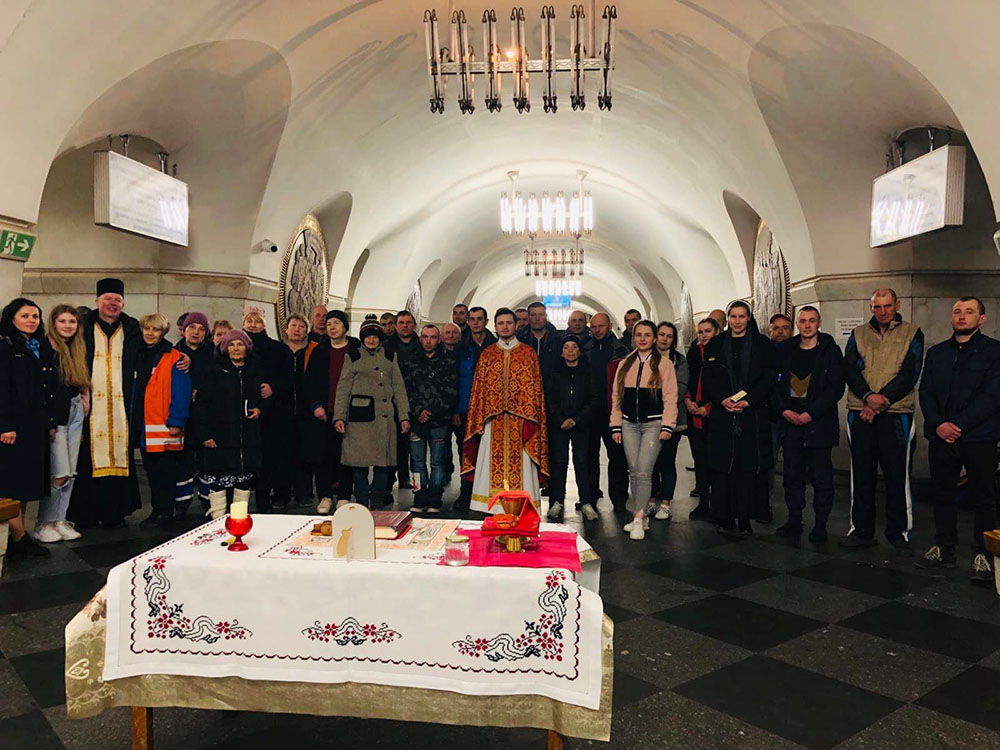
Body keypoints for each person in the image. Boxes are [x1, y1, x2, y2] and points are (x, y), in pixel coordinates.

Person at [916, 297, 1000, 581]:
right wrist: (939, 425)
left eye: (969, 312)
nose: (962, 317)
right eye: (957, 312)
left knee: (984, 497)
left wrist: (958, 425)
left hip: (980, 437)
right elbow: (925, 391)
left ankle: (983, 554)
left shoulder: (994, 352)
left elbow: (992, 396)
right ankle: (944, 547)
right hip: (942, 437)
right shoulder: (938, 353)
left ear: (982, 318)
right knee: (943, 493)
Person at [842, 288, 924, 555]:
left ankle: (898, 532)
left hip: (896, 413)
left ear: (897, 304)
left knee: (897, 475)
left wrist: (880, 401)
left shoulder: (912, 333)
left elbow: (909, 373)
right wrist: (867, 397)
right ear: (871, 308)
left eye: (887, 306)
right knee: (861, 474)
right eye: (877, 307)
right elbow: (850, 369)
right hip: (860, 411)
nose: (883, 311)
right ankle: (861, 530)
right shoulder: (858, 334)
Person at [70, 279, 144, 528]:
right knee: (87, 458)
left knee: (120, 455)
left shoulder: (132, 327)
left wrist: (183, 357)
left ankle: (116, 512)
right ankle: (86, 513)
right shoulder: (83, 325)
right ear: (97, 302)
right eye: (108, 299)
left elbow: (152, 351)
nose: (113, 304)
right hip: (90, 404)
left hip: (122, 405)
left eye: (117, 300)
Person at [701, 301, 777, 537]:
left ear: (748, 318)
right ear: (728, 319)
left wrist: (749, 400)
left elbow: (768, 377)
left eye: (742, 316)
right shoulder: (715, 344)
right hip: (723, 415)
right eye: (733, 316)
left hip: (751, 415)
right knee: (723, 468)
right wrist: (721, 399)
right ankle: (724, 516)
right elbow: (708, 376)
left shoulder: (762, 344)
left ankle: (745, 518)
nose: (737, 321)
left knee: (747, 469)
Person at [463, 307, 548, 512]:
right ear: (495, 326)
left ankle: (522, 504)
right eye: (501, 323)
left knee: (523, 464)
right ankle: (493, 507)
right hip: (493, 422)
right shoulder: (488, 354)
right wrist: (478, 420)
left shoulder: (528, 354)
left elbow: (535, 391)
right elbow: (479, 391)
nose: (505, 327)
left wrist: (529, 414)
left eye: (509, 323)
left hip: (522, 422)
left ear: (516, 325)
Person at [773, 306, 845, 542]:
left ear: (819, 322)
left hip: (819, 423)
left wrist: (811, 413)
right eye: (802, 321)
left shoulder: (830, 352)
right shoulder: (785, 350)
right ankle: (794, 519)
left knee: (821, 477)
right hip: (790, 421)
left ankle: (821, 523)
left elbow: (836, 388)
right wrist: (784, 409)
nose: (807, 325)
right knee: (792, 475)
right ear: (797, 323)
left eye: (811, 321)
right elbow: (774, 384)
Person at [610, 320, 678, 540]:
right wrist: (615, 425)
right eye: (638, 334)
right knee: (633, 470)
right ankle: (640, 516)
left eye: (647, 335)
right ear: (633, 337)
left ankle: (639, 517)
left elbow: (670, 397)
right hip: (629, 423)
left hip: (654, 424)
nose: (642, 339)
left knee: (644, 470)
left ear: (654, 338)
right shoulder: (625, 363)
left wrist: (668, 425)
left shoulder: (664, 364)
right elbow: (616, 397)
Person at [334, 315, 410, 508]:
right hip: (360, 420)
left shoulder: (389, 356)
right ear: (362, 337)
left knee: (382, 463)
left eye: (375, 336)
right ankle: (361, 500)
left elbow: (398, 387)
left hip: (384, 420)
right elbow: (343, 388)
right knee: (358, 463)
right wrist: (339, 416)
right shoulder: (353, 357)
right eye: (367, 336)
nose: (371, 339)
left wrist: (403, 416)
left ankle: (376, 501)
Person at [0, 298, 55, 558]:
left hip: (34, 424)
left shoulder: (38, 346)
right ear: (12, 318)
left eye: (35, 316)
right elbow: (2, 388)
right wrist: (6, 425)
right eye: (25, 316)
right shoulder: (5, 346)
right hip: (14, 427)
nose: (31, 320)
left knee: (24, 483)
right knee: (11, 483)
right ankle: (19, 539)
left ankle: (17, 535)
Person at [34, 305, 89, 543]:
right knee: (59, 472)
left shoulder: (75, 348)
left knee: (70, 473)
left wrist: (85, 396)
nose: (68, 326)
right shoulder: (46, 348)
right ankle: (44, 522)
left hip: (75, 409)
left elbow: (78, 380)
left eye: (72, 322)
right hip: (57, 414)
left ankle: (60, 519)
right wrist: (49, 422)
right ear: (53, 323)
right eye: (63, 321)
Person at [133, 314, 193, 529]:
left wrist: (177, 420)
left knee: (165, 473)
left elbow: (182, 392)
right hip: (144, 425)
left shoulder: (174, 357)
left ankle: (164, 512)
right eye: (147, 329)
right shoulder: (137, 353)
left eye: (156, 330)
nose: (150, 333)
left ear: (163, 332)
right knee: (151, 472)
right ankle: (158, 510)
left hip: (165, 425)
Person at [194, 330, 262, 519]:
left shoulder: (254, 370)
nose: (236, 348)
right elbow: (201, 404)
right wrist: (205, 434)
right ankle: (217, 520)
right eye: (231, 345)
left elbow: (264, 397)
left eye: (240, 344)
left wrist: (260, 409)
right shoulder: (214, 370)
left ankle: (239, 522)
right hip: (220, 436)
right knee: (219, 481)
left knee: (243, 481)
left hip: (246, 438)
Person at [304, 310, 357, 512]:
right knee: (324, 455)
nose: (332, 327)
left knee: (346, 455)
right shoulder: (320, 350)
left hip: (351, 412)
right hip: (324, 412)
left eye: (336, 323)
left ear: (345, 326)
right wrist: (316, 405)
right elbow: (309, 382)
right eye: (329, 324)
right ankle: (325, 496)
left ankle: (344, 495)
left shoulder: (355, 349)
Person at [401, 324, 457, 512]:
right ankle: (419, 497)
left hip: (439, 420)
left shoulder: (449, 361)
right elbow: (406, 389)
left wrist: (431, 411)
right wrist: (418, 411)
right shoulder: (411, 361)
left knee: (437, 462)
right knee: (417, 462)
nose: (428, 341)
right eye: (425, 337)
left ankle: (435, 498)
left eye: (432, 337)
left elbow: (450, 391)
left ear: (439, 339)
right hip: (417, 421)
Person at [243, 307, 294, 512]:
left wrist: (274, 387)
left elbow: (289, 378)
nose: (253, 325)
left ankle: (270, 496)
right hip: (246, 409)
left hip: (274, 410)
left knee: (272, 455)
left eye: (257, 321)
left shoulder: (278, 349)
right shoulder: (237, 345)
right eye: (250, 321)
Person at [544, 335, 598, 520]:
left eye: (574, 347)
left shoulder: (588, 371)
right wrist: (560, 419)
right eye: (566, 347)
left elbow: (593, 399)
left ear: (580, 351)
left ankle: (586, 502)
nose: (570, 351)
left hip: (581, 424)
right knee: (559, 462)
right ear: (561, 352)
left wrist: (577, 419)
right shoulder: (555, 372)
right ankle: (556, 501)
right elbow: (549, 399)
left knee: (582, 462)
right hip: (559, 424)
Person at [453, 306, 497, 510]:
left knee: (490, 451)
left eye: (480, 319)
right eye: (472, 319)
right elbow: (454, 379)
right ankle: (466, 493)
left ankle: (490, 492)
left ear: (486, 321)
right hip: (466, 408)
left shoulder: (495, 345)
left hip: (491, 409)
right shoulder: (460, 347)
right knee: (467, 451)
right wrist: (455, 408)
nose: (476, 322)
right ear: (468, 322)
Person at [586, 312, 629, 510]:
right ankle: (591, 495)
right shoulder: (585, 350)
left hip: (613, 412)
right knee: (589, 457)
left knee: (618, 458)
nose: (597, 330)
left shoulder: (622, 350)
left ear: (610, 325)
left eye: (601, 326)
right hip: (590, 413)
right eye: (594, 327)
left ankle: (619, 499)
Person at [174, 312, 214, 517]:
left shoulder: (213, 353)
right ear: (184, 330)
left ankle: (208, 501)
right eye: (192, 328)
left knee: (207, 460)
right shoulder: (173, 352)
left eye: (201, 329)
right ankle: (182, 501)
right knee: (183, 460)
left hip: (207, 415)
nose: (196, 332)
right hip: (184, 415)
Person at [650, 321, 688, 521]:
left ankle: (665, 503)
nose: (665, 339)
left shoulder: (679, 360)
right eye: (661, 334)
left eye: (669, 336)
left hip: (673, 419)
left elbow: (680, 387)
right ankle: (651, 498)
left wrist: (659, 399)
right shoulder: (647, 357)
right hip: (649, 419)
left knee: (667, 461)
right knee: (650, 462)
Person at [685, 316, 721, 519]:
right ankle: (704, 502)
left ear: (716, 332)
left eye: (707, 331)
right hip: (694, 413)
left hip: (714, 413)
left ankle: (718, 504)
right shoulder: (694, 353)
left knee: (715, 461)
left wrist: (708, 407)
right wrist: (688, 400)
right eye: (700, 332)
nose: (703, 335)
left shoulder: (722, 353)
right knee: (700, 460)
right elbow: (688, 379)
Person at [283, 314, 319, 508]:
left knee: (305, 454)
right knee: (284, 453)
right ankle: (282, 492)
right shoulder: (279, 350)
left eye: (301, 326)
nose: (297, 329)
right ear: (286, 329)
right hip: (283, 409)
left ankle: (304, 492)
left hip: (307, 410)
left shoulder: (313, 350)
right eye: (293, 325)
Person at [516, 301, 562, 379]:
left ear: (546, 316)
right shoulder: (519, 339)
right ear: (529, 317)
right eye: (533, 315)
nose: (537, 318)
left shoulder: (557, 339)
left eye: (541, 315)